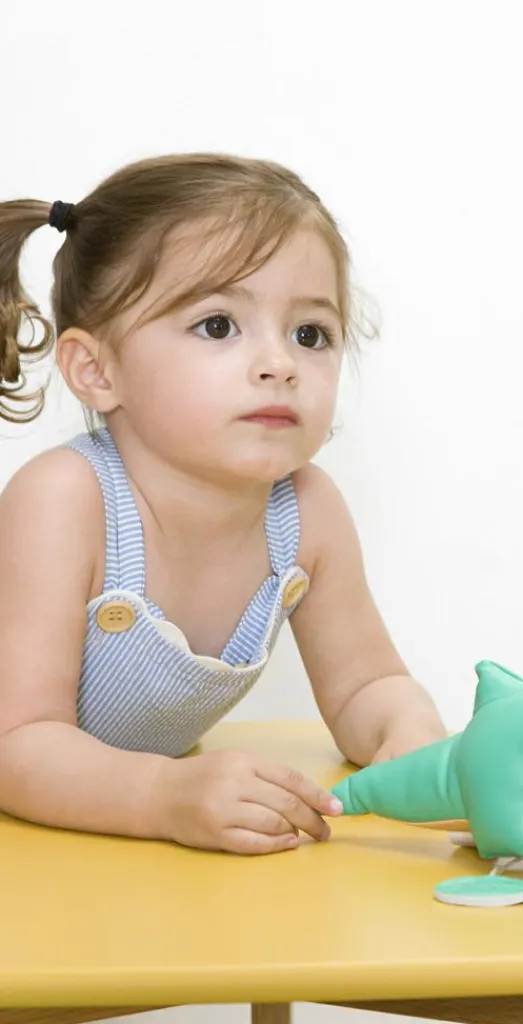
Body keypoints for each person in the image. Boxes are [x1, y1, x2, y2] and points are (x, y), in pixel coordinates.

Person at [0, 152, 449, 855]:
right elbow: (17, 742)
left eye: (310, 334)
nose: (280, 364)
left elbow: (367, 684)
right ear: (96, 368)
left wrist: (410, 735)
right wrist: (163, 794)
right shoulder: (64, 501)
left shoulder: (306, 513)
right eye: (218, 325)